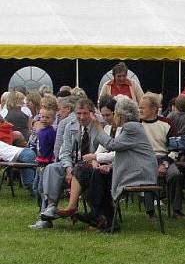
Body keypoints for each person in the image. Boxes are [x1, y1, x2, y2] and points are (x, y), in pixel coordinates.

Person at [84, 96, 158, 232]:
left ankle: (101, 216)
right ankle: (102, 216)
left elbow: (111, 145)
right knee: (100, 175)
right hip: (136, 170)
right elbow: (127, 155)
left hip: (140, 174)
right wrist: (111, 166)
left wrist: (97, 126)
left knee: (100, 178)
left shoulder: (131, 128)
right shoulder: (133, 127)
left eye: (115, 114)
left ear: (122, 116)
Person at [33, 98, 101, 230]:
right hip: (73, 163)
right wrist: (69, 168)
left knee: (82, 170)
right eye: (78, 113)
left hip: (91, 165)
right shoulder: (70, 125)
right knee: (52, 168)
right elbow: (64, 152)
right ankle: (50, 209)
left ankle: (96, 215)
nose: (81, 117)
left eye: (85, 113)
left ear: (92, 113)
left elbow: (103, 150)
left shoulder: (99, 126)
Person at [139, 92, 184, 218]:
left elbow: (176, 148)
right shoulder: (137, 125)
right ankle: (150, 212)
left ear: (154, 109)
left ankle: (176, 210)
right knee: (148, 174)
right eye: (139, 107)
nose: (140, 110)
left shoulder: (167, 123)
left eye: (143, 107)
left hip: (166, 158)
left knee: (175, 175)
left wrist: (165, 164)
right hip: (145, 159)